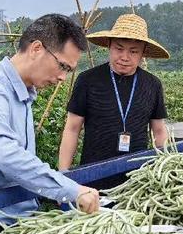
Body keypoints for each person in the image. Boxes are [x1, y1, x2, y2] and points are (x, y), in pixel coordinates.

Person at [0, 14, 100, 234]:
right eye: (63, 66)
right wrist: (70, 190)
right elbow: (2, 155)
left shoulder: (22, 95)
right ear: (36, 49)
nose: (63, 77)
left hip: (15, 229)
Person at [58, 13, 170, 189]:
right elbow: (72, 128)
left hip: (137, 180)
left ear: (143, 53)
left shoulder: (152, 85)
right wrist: (64, 175)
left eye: (133, 51)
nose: (125, 57)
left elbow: (159, 132)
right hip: (93, 178)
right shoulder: (88, 80)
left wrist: (164, 169)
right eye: (119, 48)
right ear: (109, 46)